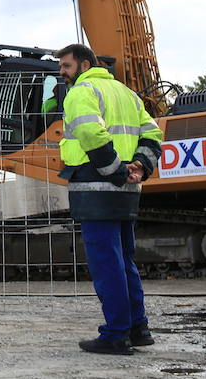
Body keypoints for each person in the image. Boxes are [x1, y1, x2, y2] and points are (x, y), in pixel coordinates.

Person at [57, 43, 163, 355]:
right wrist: (140, 167)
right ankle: (137, 327)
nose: (62, 72)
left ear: (85, 63)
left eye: (66, 65)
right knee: (124, 260)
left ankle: (116, 334)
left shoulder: (81, 91)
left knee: (107, 264)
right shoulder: (127, 93)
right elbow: (153, 134)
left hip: (96, 189)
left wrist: (116, 171)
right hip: (127, 192)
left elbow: (91, 135)